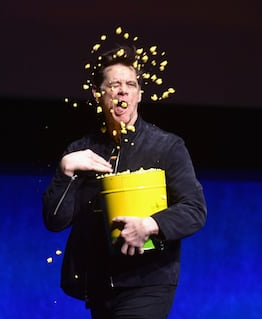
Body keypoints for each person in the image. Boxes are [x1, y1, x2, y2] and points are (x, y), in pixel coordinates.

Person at [42, 44, 207, 319]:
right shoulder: (82, 151)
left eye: (130, 85)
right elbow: (55, 220)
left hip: (148, 282)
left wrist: (149, 225)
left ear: (139, 94)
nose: (123, 91)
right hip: (99, 285)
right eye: (115, 84)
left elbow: (195, 210)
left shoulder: (166, 146)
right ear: (98, 93)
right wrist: (65, 170)